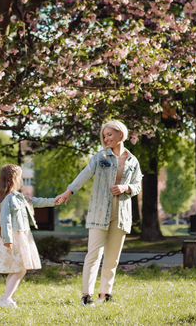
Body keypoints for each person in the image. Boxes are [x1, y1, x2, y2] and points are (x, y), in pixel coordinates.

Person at [54, 120, 142, 306]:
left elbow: (137, 186)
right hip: (99, 212)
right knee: (93, 255)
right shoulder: (99, 157)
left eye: (110, 134)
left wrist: (126, 187)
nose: (106, 138)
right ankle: (87, 296)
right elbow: (85, 174)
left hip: (122, 214)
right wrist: (69, 191)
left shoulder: (133, 160)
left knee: (112, 258)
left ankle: (105, 295)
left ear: (121, 134)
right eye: (104, 136)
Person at [0, 163, 57, 308]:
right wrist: (7, 239)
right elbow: (5, 219)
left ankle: (9, 298)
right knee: (21, 269)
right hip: (14, 238)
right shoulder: (8, 199)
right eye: (20, 177)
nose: (21, 180)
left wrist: (55, 201)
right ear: (14, 179)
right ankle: (5, 299)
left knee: (16, 268)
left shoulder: (19, 197)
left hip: (21, 236)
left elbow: (36, 201)